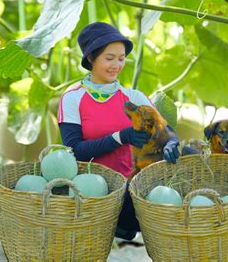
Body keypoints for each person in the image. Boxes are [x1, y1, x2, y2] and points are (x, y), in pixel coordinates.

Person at [57, 22, 180, 241]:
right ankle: (122, 220)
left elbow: (166, 132)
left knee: (187, 153)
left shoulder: (135, 97)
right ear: (91, 58)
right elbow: (75, 152)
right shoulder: (73, 98)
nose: (116, 65)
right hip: (93, 189)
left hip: (132, 185)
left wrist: (171, 143)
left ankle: (126, 221)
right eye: (109, 58)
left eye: (121, 58)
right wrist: (120, 137)